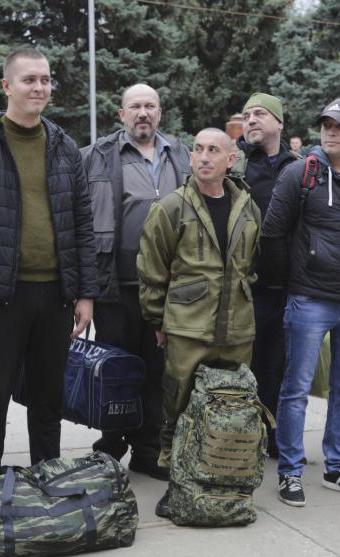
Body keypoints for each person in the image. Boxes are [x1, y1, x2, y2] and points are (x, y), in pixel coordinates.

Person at [0, 47, 97, 474]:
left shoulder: (65, 147)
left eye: (45, 80)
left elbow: (82, 224)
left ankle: (47, 483)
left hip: (55, 296)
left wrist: (85, 293)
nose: (40, 87)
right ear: (7, 86)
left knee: (48, 400)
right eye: (30, 80)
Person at [262, 98, 340, 507]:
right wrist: (295, 279)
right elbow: (272, 234)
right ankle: (290, 472)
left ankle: (337, 467)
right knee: (295, 389)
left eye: (339, 125)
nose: (330, 131)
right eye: (325, 125)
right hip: (310, 299)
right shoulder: (301, 174)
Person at [137, 128, 260, 516]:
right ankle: (177, 484)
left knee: (234, 408)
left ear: (230, 159)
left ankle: (224, 482)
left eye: (214, 150)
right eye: (199, 150)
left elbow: (250, 265)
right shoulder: (172, 207)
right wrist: (159, 319)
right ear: (190, 159)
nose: (204, 156)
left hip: (237, 326)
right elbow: (152, 270)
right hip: (188, 325)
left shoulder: (247, 207)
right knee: (178, 405)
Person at [80, 83, 189, 480]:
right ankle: (110, 445)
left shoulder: (180, 153)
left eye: (150, 106)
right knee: (117, 371)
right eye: (135, 107)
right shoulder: (96, 156)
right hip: (116, 285)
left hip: (168, 286)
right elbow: (78, 219)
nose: (143, 113)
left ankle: (147, 450)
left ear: (160, 112)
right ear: (121, 114)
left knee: (158, 371)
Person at [232, 93, 298, 457]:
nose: (251, 120)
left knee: (278, 366)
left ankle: (272, 435)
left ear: (279, 123)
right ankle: (243, 435)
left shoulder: (298, 166)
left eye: (259, 114)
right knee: (246, 365)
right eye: (247, 115)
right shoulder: (235, 166)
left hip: (287, 286)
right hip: (246, 286)